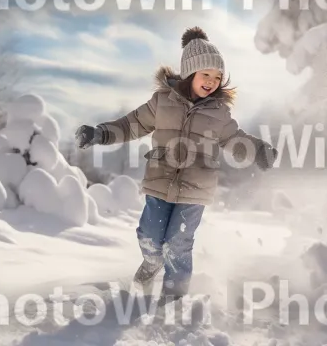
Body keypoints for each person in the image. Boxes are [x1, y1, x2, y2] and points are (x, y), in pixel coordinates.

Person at [74, 26, 278, 300]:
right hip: (160, 182)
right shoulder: (161, 102)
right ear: (190, 73)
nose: (212, 81)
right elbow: (131, 125)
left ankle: (173, 299)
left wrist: (258, 151)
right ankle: (150, 263)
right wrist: (100, 133)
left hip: (196, 190)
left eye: (217, 77)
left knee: (178, 244)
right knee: (150, 236)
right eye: (205, 74)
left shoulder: (219, 113)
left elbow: (234, 139)